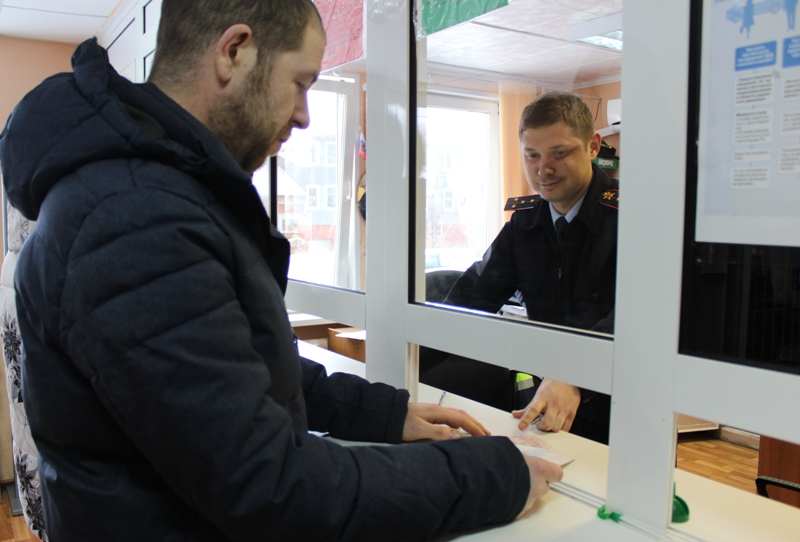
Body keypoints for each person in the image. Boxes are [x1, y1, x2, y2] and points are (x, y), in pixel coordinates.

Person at [0, 1, 563, 540]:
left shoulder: (156, 192)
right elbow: (269, 487)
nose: (303, 114)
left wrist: (387, 415)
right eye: (300, 82)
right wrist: (493, 474)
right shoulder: (133, 217)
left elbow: (238, 367)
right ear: (234, 51)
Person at [425, 91, 618, 445]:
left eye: (559, 153)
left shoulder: (630, 218)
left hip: (620, 403)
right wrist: (413, 354)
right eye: (532, 155)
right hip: (548, 401)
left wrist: (575, 374)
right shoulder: (525, 223)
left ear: (593, 147)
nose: (543, 169)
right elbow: (474, 294)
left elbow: (638, 317)